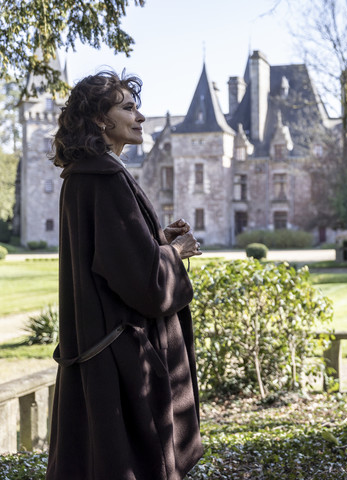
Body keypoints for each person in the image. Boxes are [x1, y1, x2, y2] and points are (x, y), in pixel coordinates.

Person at [46, 70, 204, 480]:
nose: (140, 117)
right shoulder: (108, 178)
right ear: (102, 119)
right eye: (128, 108)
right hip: (122, 355)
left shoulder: (82, 177)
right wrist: (175, 252)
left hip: (99, 347)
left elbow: (112, 256)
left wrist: (156, 239)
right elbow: (144, 284)